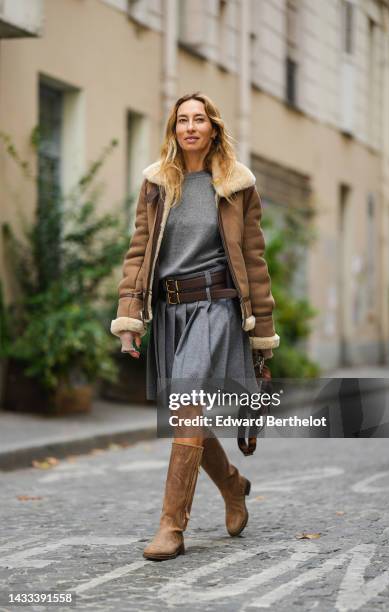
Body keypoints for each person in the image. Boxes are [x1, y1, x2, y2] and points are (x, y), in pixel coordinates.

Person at [110, 92, 280, 561]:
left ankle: (171, 526)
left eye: (198, 119)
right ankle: (232, 485)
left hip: (215, 308)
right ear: (174, 129)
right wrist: (130, 316)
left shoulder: (236, 184)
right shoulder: (157, 184)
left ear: (213, 128)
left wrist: (261, 334)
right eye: (182, 120)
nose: (190, 127)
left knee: (186, 409)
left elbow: (254, 261)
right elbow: (138, 253)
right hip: (170, 312)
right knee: (190, 414)